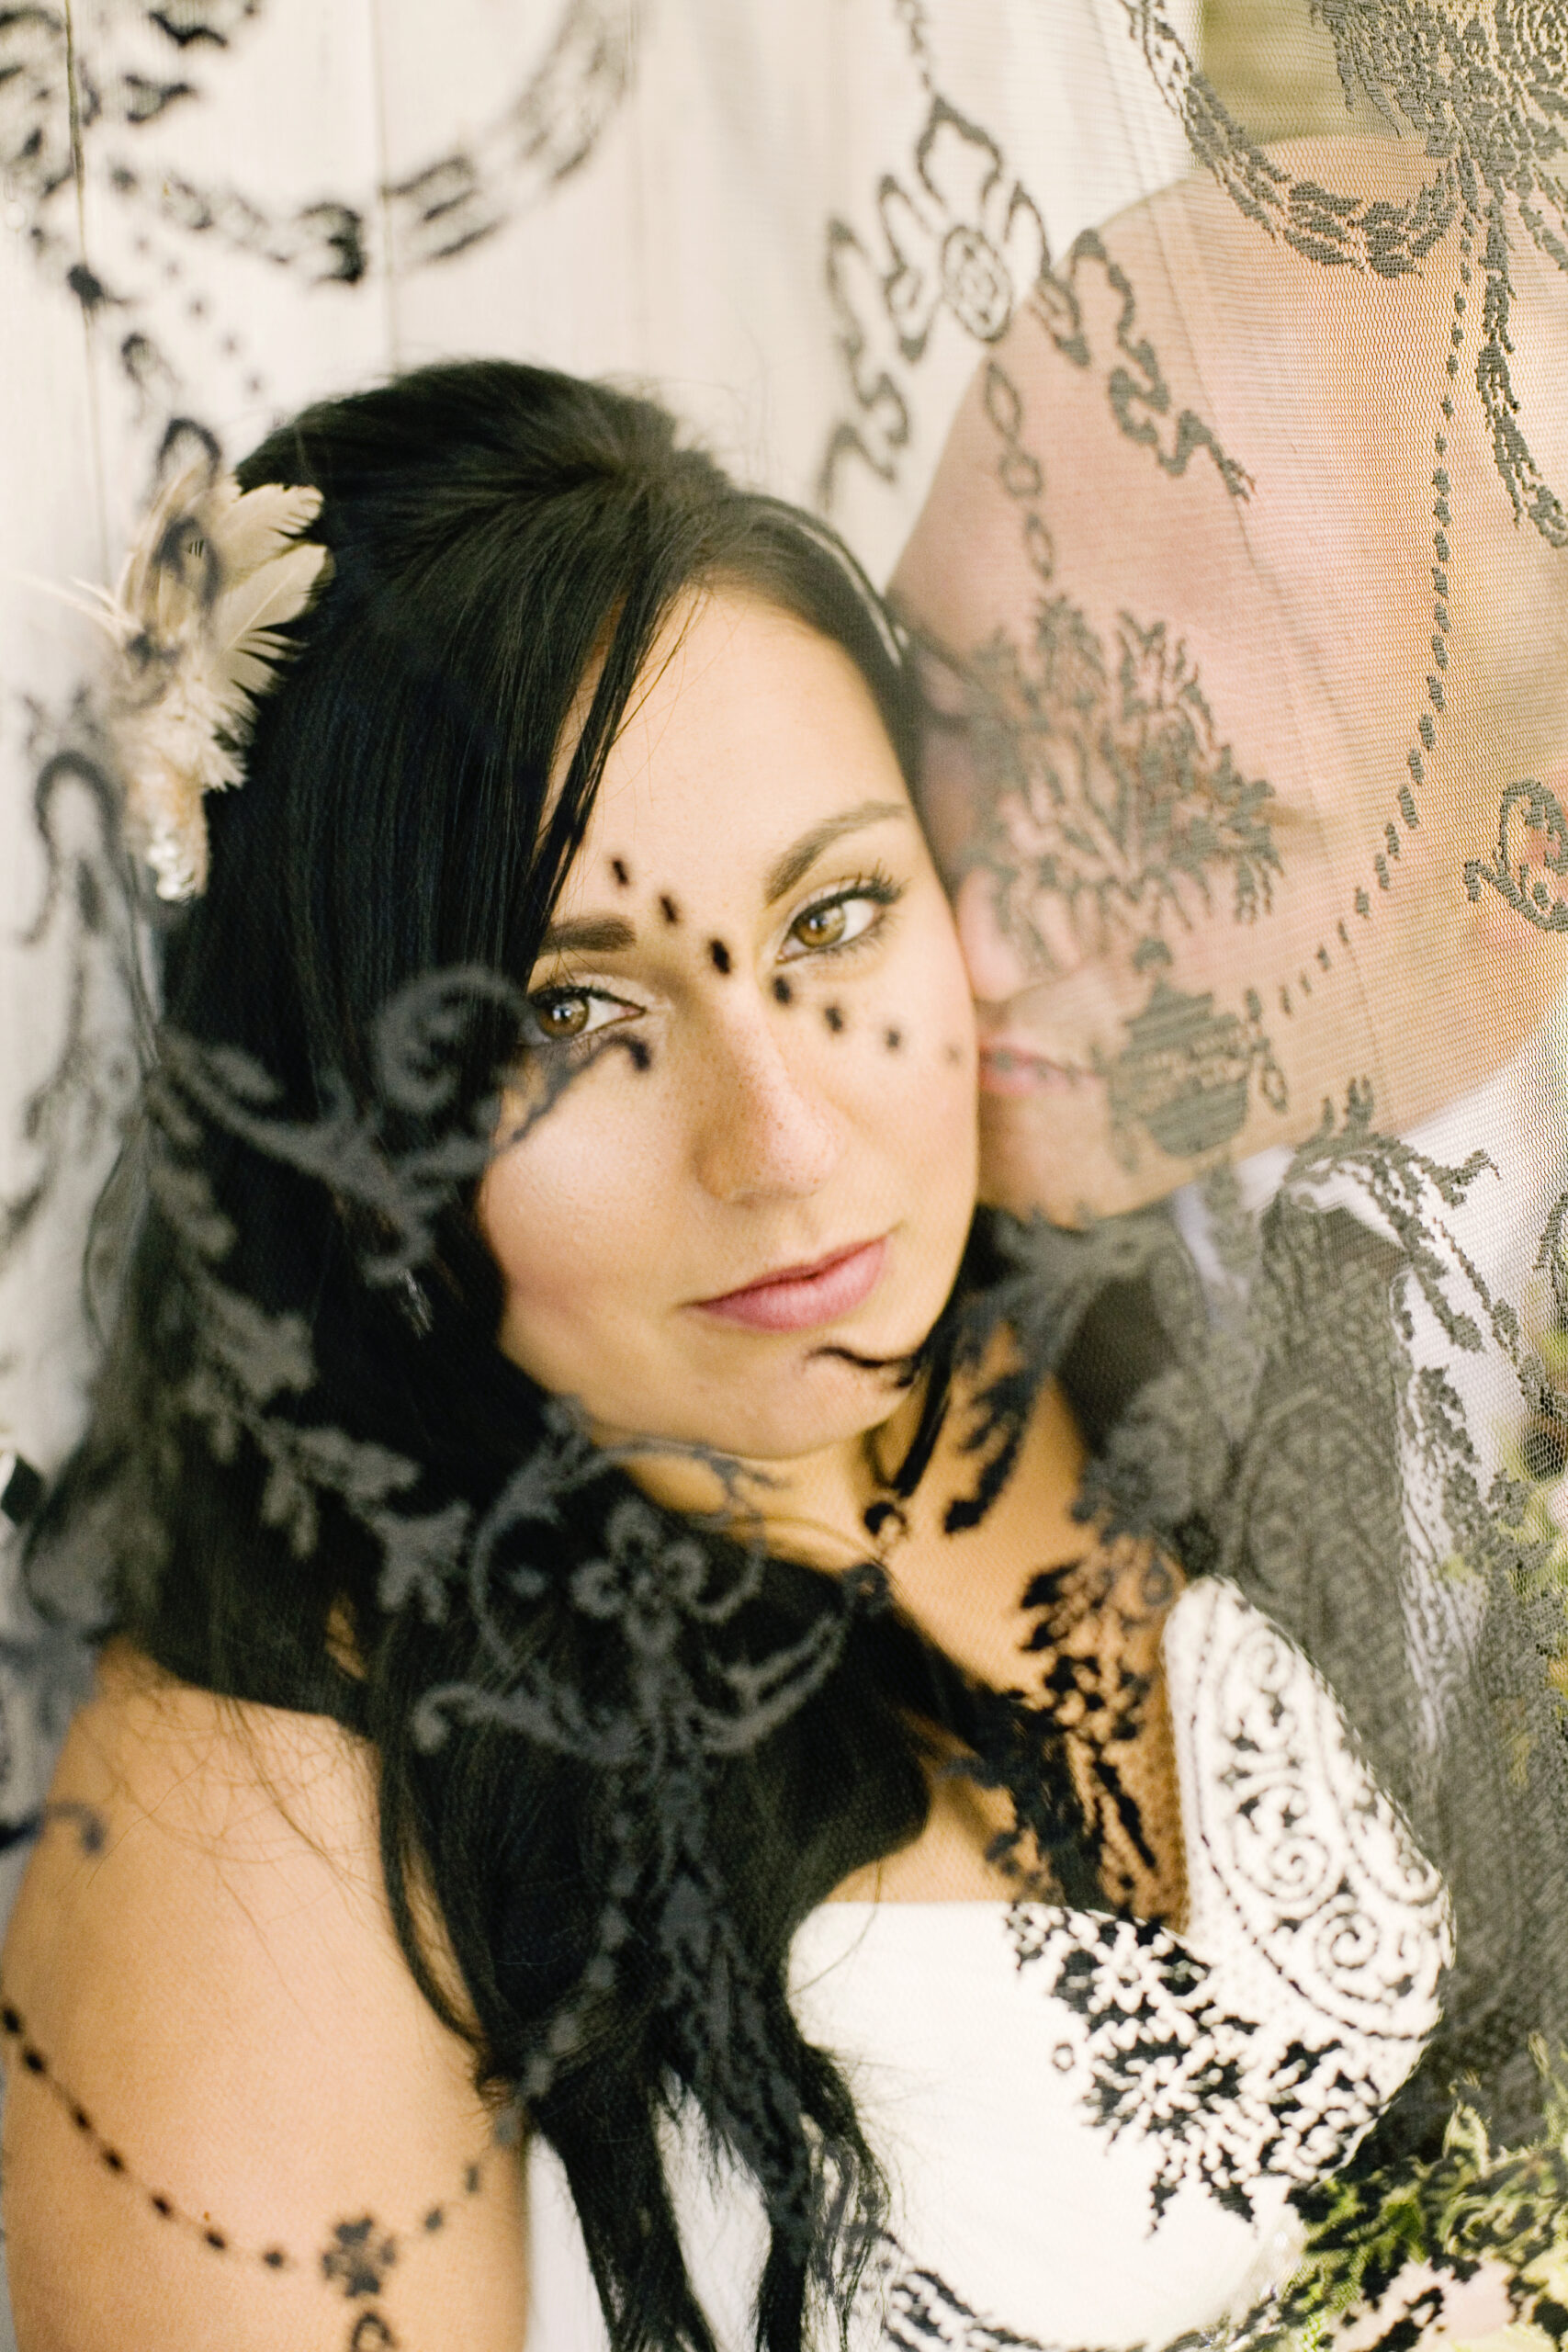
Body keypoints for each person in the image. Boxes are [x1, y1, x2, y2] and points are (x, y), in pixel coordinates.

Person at [0, 356, 1559, 2352]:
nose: (790, 1142)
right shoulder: (272, 1802)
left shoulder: (1100, 1318)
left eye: (832, 915)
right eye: (566, 1016)